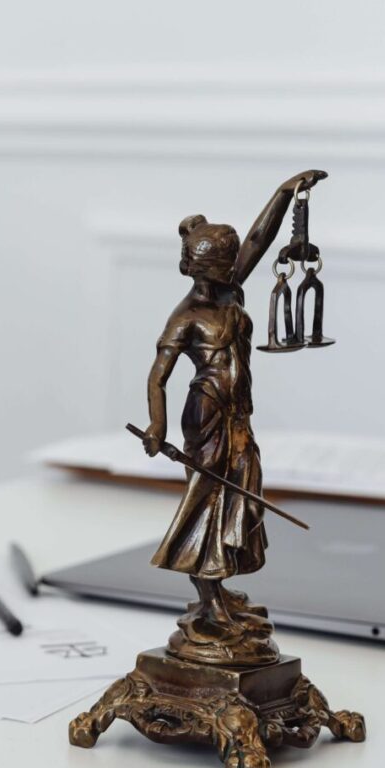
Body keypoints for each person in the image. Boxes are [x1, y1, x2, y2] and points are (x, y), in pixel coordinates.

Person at [139, 168, 327, 665]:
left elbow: (259, 242)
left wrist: (284, 194)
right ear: (206, 270)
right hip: (205, 418)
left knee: (242, 501)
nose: (237, 269)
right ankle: (209, 604)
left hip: (239, 416)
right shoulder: (186, 316)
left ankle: (219, 596)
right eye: (228, 266)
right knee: (208, 505)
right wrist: (156, 426)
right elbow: (158, 376)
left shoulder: (228, 290)